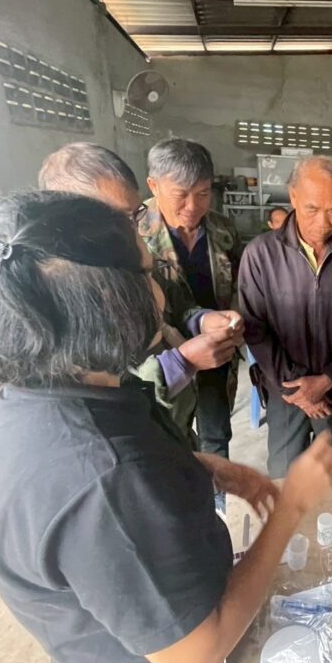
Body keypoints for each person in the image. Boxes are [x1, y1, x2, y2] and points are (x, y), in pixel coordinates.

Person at [0, 191, 332, 663]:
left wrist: (205, 468)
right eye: (148, 274)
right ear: (107, 301)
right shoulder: (104, 479)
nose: (160, 293)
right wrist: (291, 506)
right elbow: (194, 659)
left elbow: (126, 464)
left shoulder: (47, 391)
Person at [39, 142, 239, 433]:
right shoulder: (59, 293)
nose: (132, 231)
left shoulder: (129, 253)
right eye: (119, 219)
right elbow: (101, 392)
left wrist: (202, 319)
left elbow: (173, 300)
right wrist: (180, 363)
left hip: (181, 392)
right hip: (135, 427)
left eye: (134, 215)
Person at [239, 156, 332, 477]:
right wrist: (299, 392)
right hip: (285, 391)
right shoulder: (261, 255)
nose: (323, 222)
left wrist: (328, 378)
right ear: (293, 196)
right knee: (284, 474)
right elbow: (256, 328)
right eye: (312, 209)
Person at [140, 139, 243, 457]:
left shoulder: (223, 230)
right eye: (181, 195)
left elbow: (239, 284)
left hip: (215, 348)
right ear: (154, 185)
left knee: (216, 435)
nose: (193, 206)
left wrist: (235, 317)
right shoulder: (136, 233)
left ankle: (216, 490)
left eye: (203, 193)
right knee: (167, 440)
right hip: (162, 361)